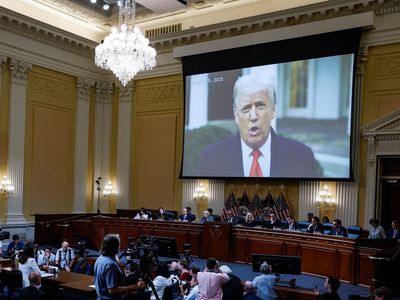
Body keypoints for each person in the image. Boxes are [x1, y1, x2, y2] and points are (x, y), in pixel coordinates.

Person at [197, 74, 322, 178]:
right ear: (236, 115)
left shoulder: (301, 155)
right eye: (246, 109)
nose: (253, 116)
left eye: (260, 106)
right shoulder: (211, 158)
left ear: (273, 110)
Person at [94, 233, 145, 300]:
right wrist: (135, 286)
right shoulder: (111, 265)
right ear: (115, 247)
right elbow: (112, 291)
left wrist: (117, 265)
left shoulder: (100, 258)